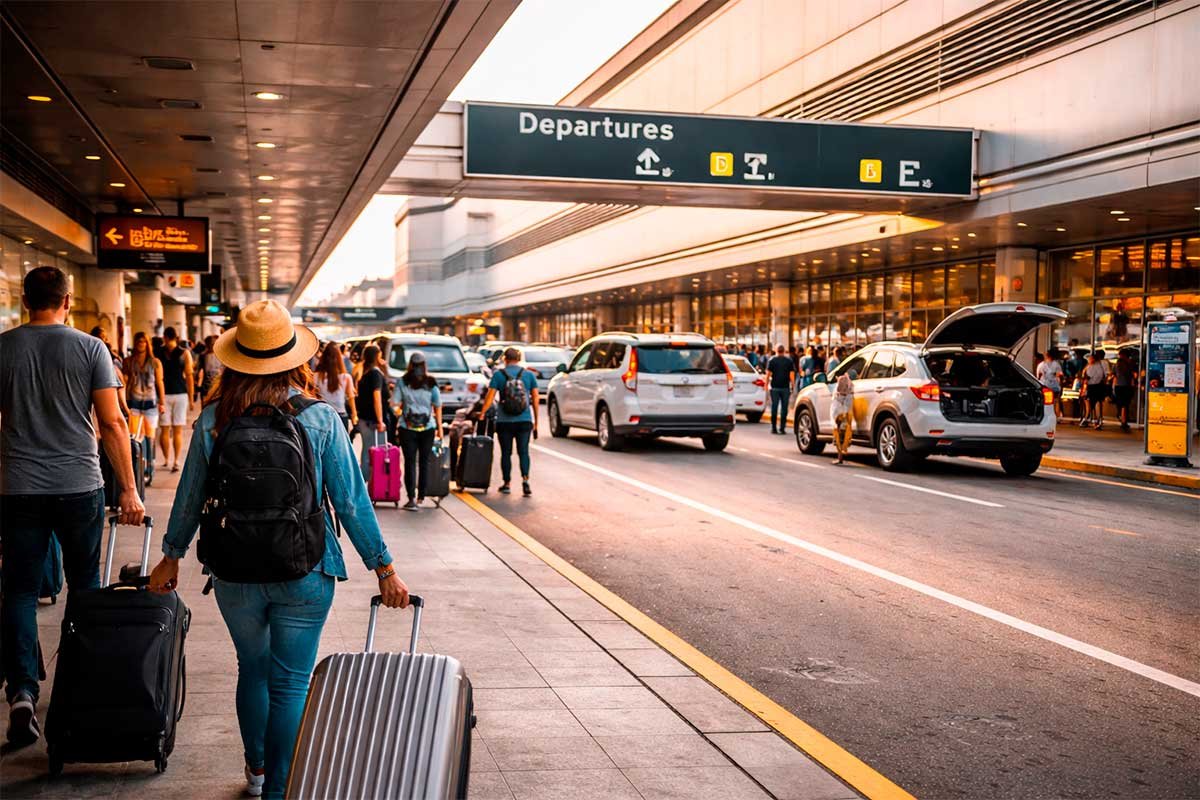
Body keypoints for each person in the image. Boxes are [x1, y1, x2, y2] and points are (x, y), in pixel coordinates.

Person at [146, 300, 408, 799]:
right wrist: (384, 567)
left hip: (234, 571)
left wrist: (171, 554)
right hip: (306, 569)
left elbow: (190, 497)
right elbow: (351, 502)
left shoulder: (212, 421)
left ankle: (257, 768)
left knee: (253, 668)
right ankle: (278, 791)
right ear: (294, 357)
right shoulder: (322, 419)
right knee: (290, 683)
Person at [1, 267, 144, 748]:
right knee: (85, 587)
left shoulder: (3, 348)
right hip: (79, 485)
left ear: (26, 302)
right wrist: (128, 488)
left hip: (17, 487)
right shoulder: (90, 348)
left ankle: (22, 691)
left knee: (19, 591)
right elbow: (112, 423)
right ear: (67, 300)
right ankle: (79, 684)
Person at [477, 347, 539, 496]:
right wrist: (536, 421)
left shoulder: (499, 375)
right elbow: (535, 399)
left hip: (504, 421)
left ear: (505, 359)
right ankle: (525, 481)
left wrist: (482, 414)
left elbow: (490, 397)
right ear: (519, 359)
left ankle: (507, 483)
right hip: (524, 420)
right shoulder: (529, 375)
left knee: (506, 453)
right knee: (523, 452)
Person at [392, 352, 444, 510]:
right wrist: (440, 428)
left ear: (410, 365)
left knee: (409, 462)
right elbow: (437, 405)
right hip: (428, 427)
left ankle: (411, 499)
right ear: (424, 365)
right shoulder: (431, 382)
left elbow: (394, 404)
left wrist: (401, 413)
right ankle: (422, 495)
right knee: (424, 462)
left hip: (407, 428)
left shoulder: (402, 381)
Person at [124, 331, 166, 487]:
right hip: (134, 402)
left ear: (147, 343)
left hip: (150, 403)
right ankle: (138, 468)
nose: (141, 344)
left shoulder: (155, 362)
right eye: (138, 341)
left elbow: (159, 382)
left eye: (143, 341)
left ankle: (149, 468)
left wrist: (162, 402)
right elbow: (126, 382)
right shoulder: (129, 361)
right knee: (135, 437)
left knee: (149, 437)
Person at [158, 326, 195, 472]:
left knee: (165, 429)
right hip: (181, 394)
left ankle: (166, 460)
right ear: (176, 337)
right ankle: (176, 461)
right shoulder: (185, 353)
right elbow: (189, 377)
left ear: (165, 337)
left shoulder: (158, 353)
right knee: (177, 430)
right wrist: (191, 399)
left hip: (163, 395)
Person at [354, 344, 388, 479]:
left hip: (364, 418)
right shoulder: (375, 373)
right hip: (372, 421)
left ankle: (366, 481)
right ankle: (370, 482)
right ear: (377, 356)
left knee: (367, 451)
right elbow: (376, 397)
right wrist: (380, 421)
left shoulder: (365, 372)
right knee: (374, 452)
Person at [314, 341, 356, 434]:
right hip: (341, 415)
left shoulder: (316, 376)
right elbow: (351, 397)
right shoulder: (345, 377)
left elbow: (312, 395)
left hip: (322, 415)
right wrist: (354, 414)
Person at [764, 345, 795, 435]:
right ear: (784, 351)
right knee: (784, 409)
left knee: (774, 407)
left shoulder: (772, 360)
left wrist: (766, 385)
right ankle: (782, 428)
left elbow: (768, 374)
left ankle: (774, 428)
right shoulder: (789, 361)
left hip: (774, 387)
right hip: (785, 387)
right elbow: (792, 374)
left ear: (776, 350)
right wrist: (792, 385)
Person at [830, 370, 855, 464]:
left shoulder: (839, 386)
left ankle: (840, 456)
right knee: (843, 432)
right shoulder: (851, 387)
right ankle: (842, 453)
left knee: (838, 432)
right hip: (846, 412)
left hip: (839, 412)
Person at [1080, 352, 1109, 429]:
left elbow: (1086, 377)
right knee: (1097, 402)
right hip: (1099, 386)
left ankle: (1087, 418)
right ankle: (1097, 420)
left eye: (1090, 358)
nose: (1088, 359)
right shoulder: (1101, 364)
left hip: (1091, 386)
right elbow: (1105, 376)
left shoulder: (1090, 367)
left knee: (1089, 402)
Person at [1112, 349, 1136, 432]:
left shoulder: (1116, 364)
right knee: (1125, 405)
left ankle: (1122, 418)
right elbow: (1133, 376)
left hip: (1118, 386)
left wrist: (1113, 387)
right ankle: (1123, 421)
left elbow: (1114, 376)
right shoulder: (1130, 363)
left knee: (1122, 404)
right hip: (1126, 386)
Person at [1036, 349, 1064, 417]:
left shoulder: (1040, 365)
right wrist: (1061, 385)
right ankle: (1057, 416)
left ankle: (1045, 415)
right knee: (1056, 401)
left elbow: (1038, 377)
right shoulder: (1057, 364)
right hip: (1054, 386)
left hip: (1044, 386)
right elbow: (1060, 376)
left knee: (1044, 402)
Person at [199, 334, 224, 401]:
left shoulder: (222, 355)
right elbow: (200, 372)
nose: (213, 345)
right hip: (206, 388)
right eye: (212, 343)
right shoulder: (203, 356)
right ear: (207, 344)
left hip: (219, 388)